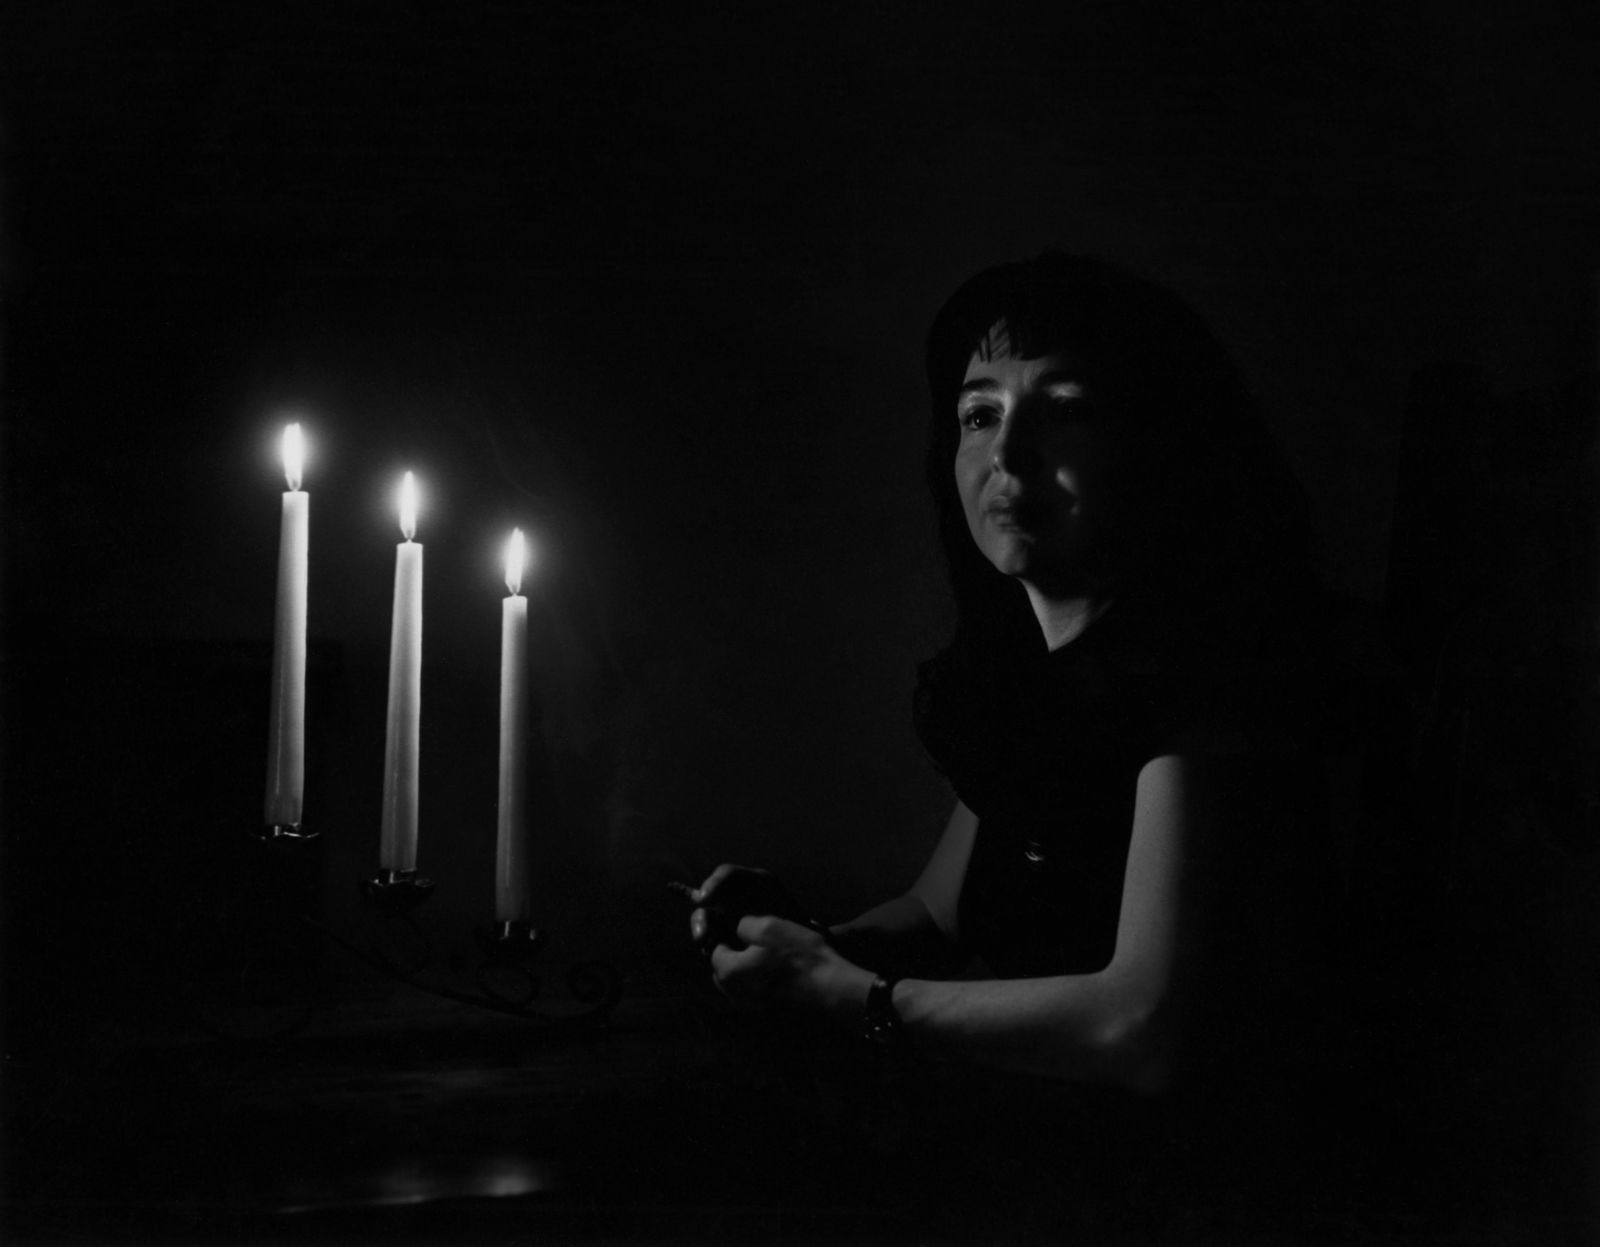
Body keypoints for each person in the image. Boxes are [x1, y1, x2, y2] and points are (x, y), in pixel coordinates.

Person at [688, 252, 1362, 1118]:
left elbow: (1144, 1027)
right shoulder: (1033, 681)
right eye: (980, 414)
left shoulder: (1212, 686)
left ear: (1156, 444)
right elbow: (938, 914)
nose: (1008, 453)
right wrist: (802, 943)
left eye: (1066, 409)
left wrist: (849, 994)